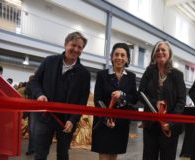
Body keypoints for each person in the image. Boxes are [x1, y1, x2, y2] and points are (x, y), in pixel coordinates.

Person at [30, 31, 90, 160]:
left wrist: (73, 120)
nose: (76, 49)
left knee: (63, 155)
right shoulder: (49, 61)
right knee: (40, 154)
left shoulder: (84, 74)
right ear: (65, 44)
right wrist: (39, 94)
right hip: (45, 117)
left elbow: (82, 101)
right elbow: (35, 81)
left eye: (80, 47)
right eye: (73, 45)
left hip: (66, 122)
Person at [139, 41, 186, 160]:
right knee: (149, 157)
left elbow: (181, 101)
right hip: (151, 124)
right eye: (158, 50)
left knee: (168, 157)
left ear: (169, 54)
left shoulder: (177, 75)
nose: (160, 52)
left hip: (170, 126)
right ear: (154, 54)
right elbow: (141, 94)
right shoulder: (149, 71)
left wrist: (169, 123)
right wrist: (155, 102)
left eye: (163, 50)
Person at [91, 43, 138, 160]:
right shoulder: (102, 75)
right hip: (103, 123)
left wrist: (123, 95)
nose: (119, 57)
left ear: (127, 59)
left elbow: (134, 98)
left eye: (123, 55)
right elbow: (98, 99)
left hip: (120, 124)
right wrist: (106, 118)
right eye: (116, 54)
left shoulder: (131, 77)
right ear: (111, 57)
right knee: (103, 155)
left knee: (114, 155)